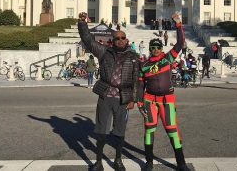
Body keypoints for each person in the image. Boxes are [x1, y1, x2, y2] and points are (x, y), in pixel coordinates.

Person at [78, 12, 139, 171]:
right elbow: (88, 40)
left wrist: (134, 99)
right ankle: (98, 161)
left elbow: (136, 79)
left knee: (119, 131)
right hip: (106, 96)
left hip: (123, 98)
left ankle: (118, 160)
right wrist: (82, 23)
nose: (120, 40)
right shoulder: (104, 52)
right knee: (101, 131)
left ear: (126, 40)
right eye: (117, 38)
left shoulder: (133, 56)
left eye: (122, 38)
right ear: (112, 40)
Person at [137, 13, 190, 171]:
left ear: (162, 48)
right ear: (149, 49)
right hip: (149, 101)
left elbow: (180, 42)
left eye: (157, 47)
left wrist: (178, 24)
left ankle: (181, 164)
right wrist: (140, 102)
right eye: (152, 47)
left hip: (167, 100)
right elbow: (140, 86)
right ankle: (149, 162)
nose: (155, 49)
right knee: (149, 131)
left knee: (173, 131)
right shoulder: (143, 65)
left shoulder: (168, 58)